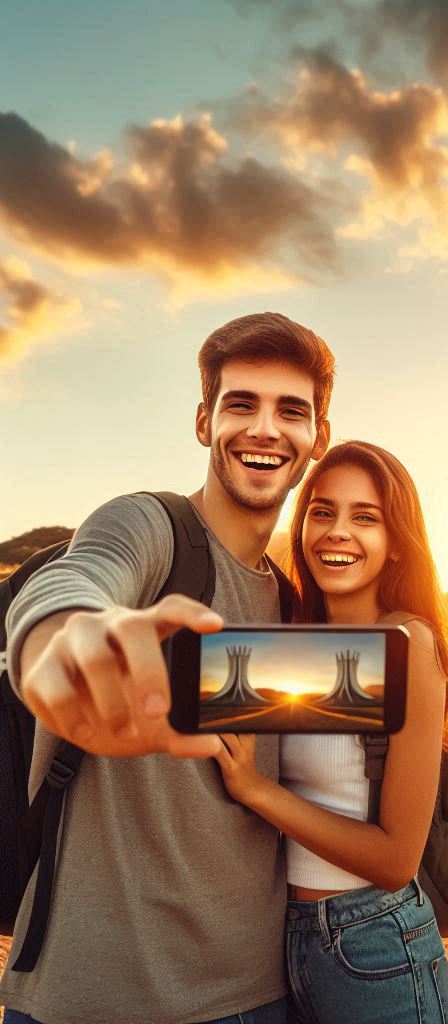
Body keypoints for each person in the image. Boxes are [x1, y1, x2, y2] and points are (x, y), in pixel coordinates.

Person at [1, 313, 334, 1023]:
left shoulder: (303, 606)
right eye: (240, 403)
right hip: (83, 996)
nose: (265, 429)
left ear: (319, 436)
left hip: (254, 997)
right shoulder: (152, 527)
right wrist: (62, 642)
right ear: (203, 421)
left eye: (291, 410)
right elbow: (81, 577)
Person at [213, 441, 448, 1024]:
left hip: (376, 942)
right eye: (322, 511)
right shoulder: (291, 645)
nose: (337, 532)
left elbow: (395, 860)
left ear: (397, 543)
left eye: (365, 518)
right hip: (284, 945)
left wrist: (258, 792)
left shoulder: (407, 644)